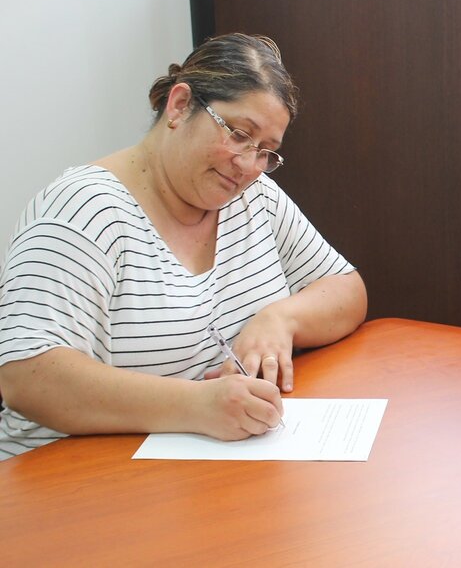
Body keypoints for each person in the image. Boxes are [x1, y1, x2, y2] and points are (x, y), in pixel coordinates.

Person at [0, 33, 367, 459]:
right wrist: (197, 406)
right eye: (239, 134)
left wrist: (280, 319)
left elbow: (346, 289)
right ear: (179, 105)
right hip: (66, 476)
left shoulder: (253, 197)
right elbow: (27, 376)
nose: (248, 165)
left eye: (266, 151)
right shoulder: (83, 210)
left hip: (198, 470)